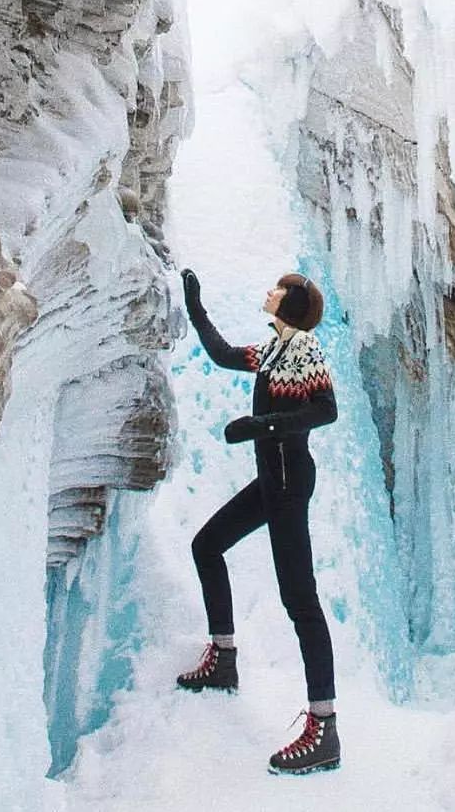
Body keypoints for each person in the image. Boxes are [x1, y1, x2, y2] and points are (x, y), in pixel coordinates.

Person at [175, 268, 341, 776]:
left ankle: (324, 729)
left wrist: (260, 425)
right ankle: (224, 660)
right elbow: (224, 354)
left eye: (278, 290)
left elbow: (327, 411)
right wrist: (196, 309)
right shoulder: (272, 351)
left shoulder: (306, 354)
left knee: (301, 602)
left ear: (289, 307)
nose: (268, 291)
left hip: (290, 488)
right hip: (273, 482)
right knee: (207, 546)